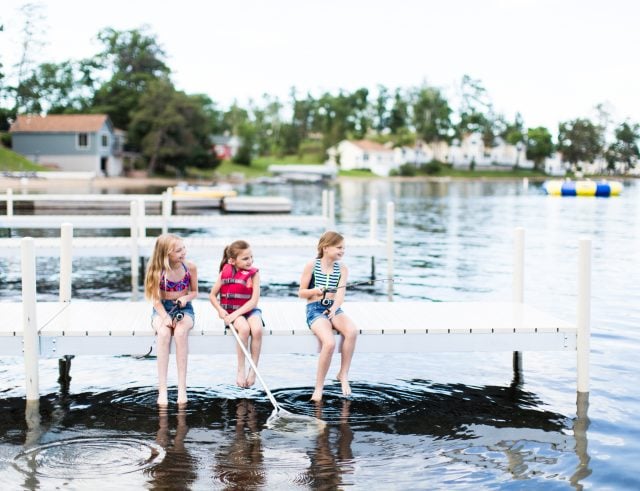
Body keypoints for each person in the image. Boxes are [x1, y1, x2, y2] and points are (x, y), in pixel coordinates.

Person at [299, 231, 358, 401]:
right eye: (339, 247)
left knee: (352, 331)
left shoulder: (342, 268)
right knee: (329, 343)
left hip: (334, 309)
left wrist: (334, 309)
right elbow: (301, 293)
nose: (342, 251)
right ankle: (319, 388)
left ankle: (343, 374)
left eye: (344, 248)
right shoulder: (311, 265)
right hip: (315, 309)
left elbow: (340, 294)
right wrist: (314, 291)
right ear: (325, 248)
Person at [144, 233, 198, 405]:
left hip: (184, 309)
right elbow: (154, 299)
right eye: (178, 251)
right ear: (166, 254)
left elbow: (194, 292)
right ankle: (163, 389)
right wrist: (165, 317)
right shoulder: (156, 271)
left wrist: (186, 298)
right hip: (161, 309)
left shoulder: (190, 267)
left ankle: (182, 387)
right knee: (164, 334)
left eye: (183, 248)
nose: (183, 252)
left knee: (181, 332)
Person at [209, 240, 263, 388]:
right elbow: (212, 295)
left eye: (251, 257)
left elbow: (253, 301)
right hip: (232, 312)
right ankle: (241, 369)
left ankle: (253, 370)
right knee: (244, 329)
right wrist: (221, 310)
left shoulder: (254, 274)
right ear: (232, 261)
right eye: (245, 258)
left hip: (249, 310)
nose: (250, 261)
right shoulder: (224, 272)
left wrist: (235, 315)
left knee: (257, 329)